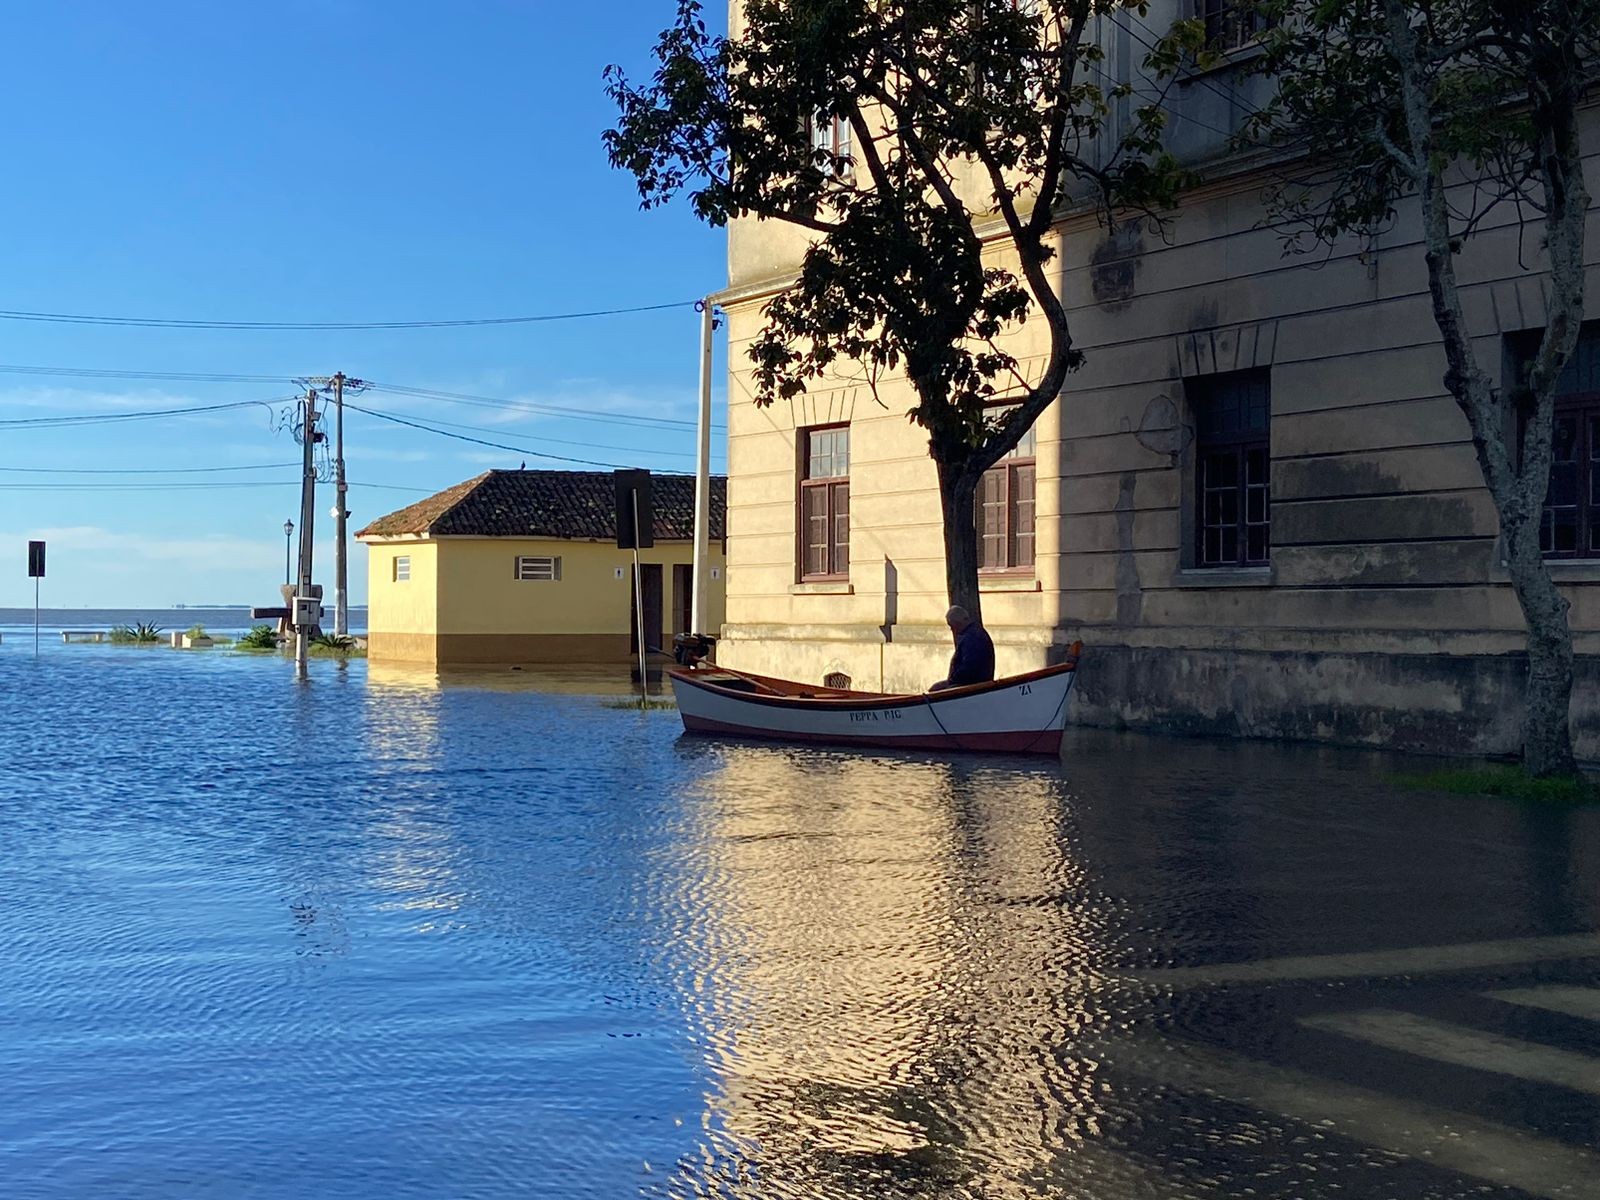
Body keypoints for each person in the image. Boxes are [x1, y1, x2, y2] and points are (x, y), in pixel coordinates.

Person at [930, 605, 995, 691]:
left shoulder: (972, 637)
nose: (951, 630)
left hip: (972, 685)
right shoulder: (975, 633)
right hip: (972, 682)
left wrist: (952, 680)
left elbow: (970, 667)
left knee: (935, 689)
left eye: (951, 626)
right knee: (937, 687)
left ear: (958, 623)